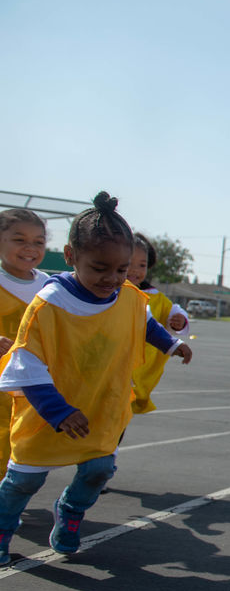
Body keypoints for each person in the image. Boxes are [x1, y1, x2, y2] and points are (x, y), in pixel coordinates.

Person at [0, 192, 192, 565]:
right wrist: (58, 411)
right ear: (71, 257)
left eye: (121, 270)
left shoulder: (127, 295)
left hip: (101, 402)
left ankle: (70, 513)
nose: (112, 279)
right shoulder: (49, 302)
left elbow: (143, 320)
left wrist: (170, 345)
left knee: (99, 469)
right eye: (100, 268)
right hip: (48, 409)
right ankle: (3, 528)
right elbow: (29, 363)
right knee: (24, 479)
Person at [0, 208, 50, 475]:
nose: (29, 248)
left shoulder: (50, 286)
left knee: (20, 448)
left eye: (38, 242)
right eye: (19, 239)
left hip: (29, 387)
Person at [128, 233, 190, 414]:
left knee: (118, 422)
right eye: (129, 263)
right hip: (109, 370)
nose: (135, 270)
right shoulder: (107, 292)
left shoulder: (154, 297)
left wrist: (179, 321)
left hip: (139, 372)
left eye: (142, 265)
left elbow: (173, 314)